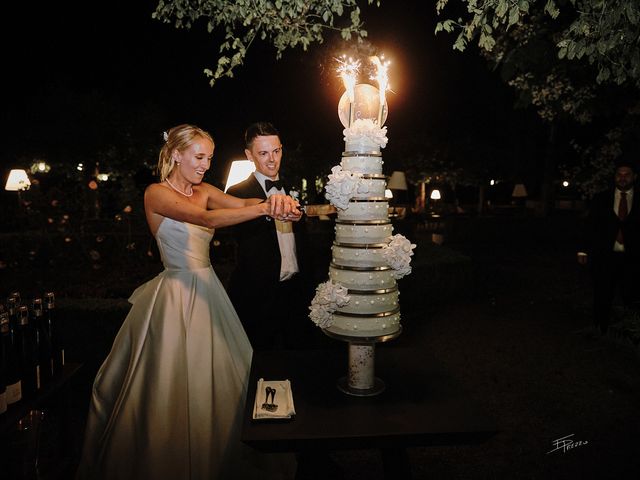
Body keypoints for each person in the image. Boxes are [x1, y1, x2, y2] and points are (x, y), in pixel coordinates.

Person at [76, 124, 300, 480]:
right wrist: (264, 211)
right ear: (175, 154)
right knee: (172, 383)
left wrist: (279, 203)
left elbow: (242, 202)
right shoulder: (156, 194)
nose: (204, 165)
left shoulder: (205, 189)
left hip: (210, 291)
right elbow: (206, 218)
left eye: (209, 158)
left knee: (225, 377)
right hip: (177, 293)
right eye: (199, 157)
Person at [227, 121, 316, 350]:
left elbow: (303, 239)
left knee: (297, 361)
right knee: (262, 364)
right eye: (263, 153)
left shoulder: (295, 188)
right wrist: (265, 209)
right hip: (259, 295)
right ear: (249, 155)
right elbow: (239, 240)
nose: (272, 159)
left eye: (276, 151)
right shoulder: (236, 193)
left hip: (296, 291)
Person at [577, 157, 640, 334]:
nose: (622, 177)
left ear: (634, 177)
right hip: (604, 255)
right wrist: (583, 249)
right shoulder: (601, 198)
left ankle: (631, 329)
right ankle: (600, 326)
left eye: (627, 174)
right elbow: (590, 225)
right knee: (602, 292)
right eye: (619, 174)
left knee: (632, 293)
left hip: (633, 256)